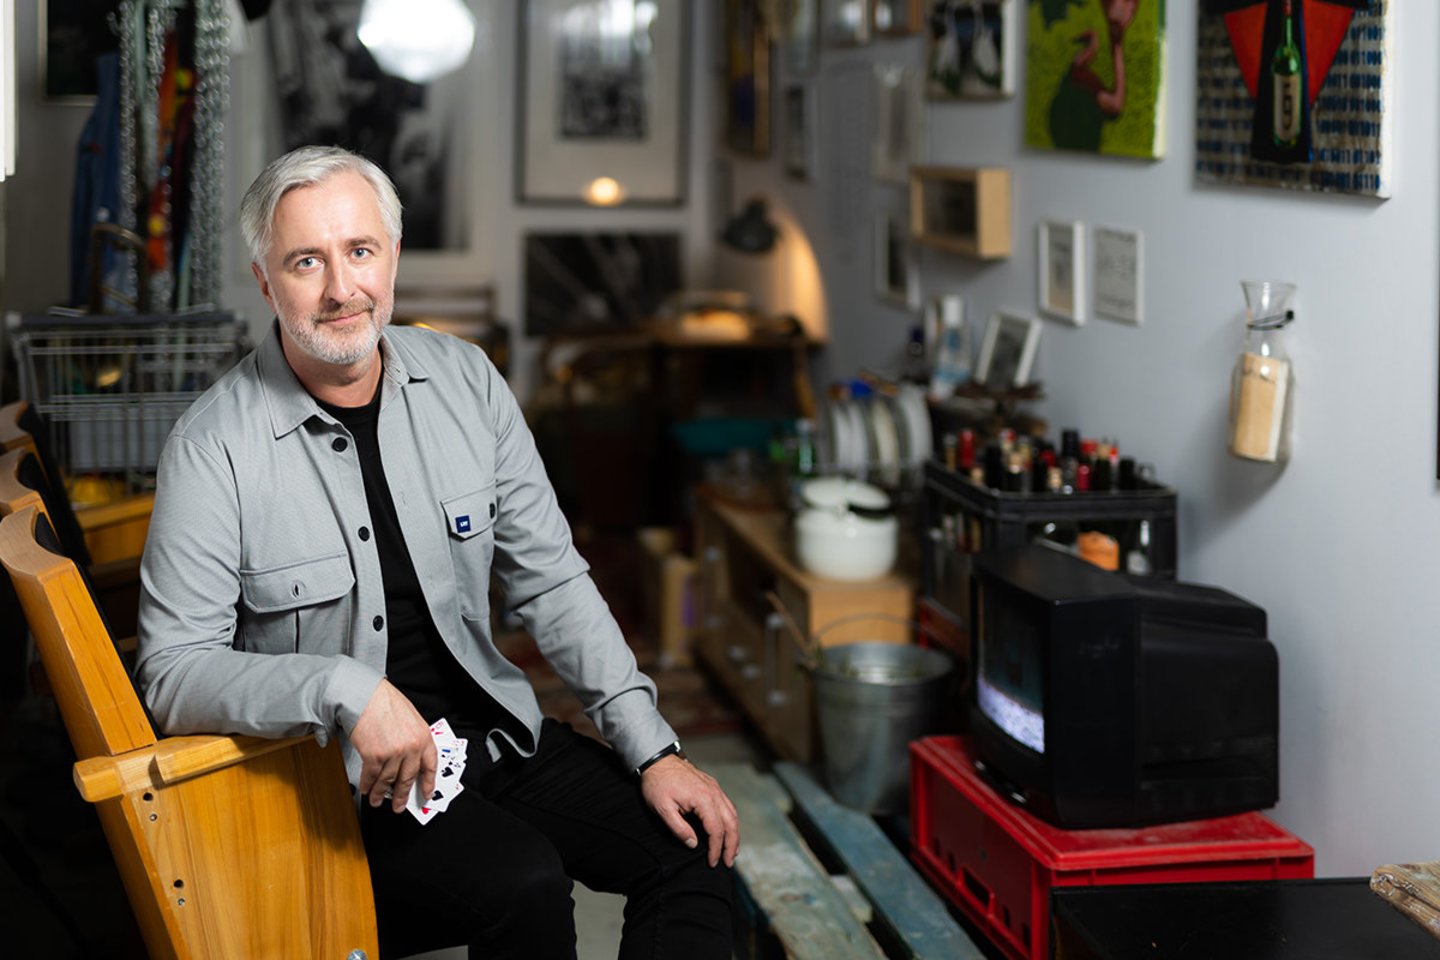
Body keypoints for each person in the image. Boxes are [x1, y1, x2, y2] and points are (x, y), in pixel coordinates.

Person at [135, 145, 739, 959]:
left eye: (360, 250)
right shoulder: (212, 448)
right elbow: (172, 674)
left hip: (494, 737)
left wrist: (653, 749)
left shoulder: (468, 382)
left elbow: (552, 581)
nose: (341, 288)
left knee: (695, 847)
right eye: (306, 261)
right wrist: (343, 688)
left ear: (392, 255)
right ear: (265, 281)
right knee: (524, 884)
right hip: (352, 784)